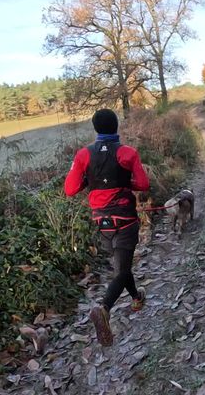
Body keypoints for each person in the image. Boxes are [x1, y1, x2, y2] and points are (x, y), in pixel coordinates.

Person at [64, 108, 150, 347]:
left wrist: (88, 180)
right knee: (122, 270)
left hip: (102, 224)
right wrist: (125, 182)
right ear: (116, 127)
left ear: (95, 129)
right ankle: (104, 308)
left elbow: (70, 190)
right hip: (125, 220)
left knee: (122, 265)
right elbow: (143, 184)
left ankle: (136, 297)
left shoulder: (83, 155)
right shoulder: (127, 153)